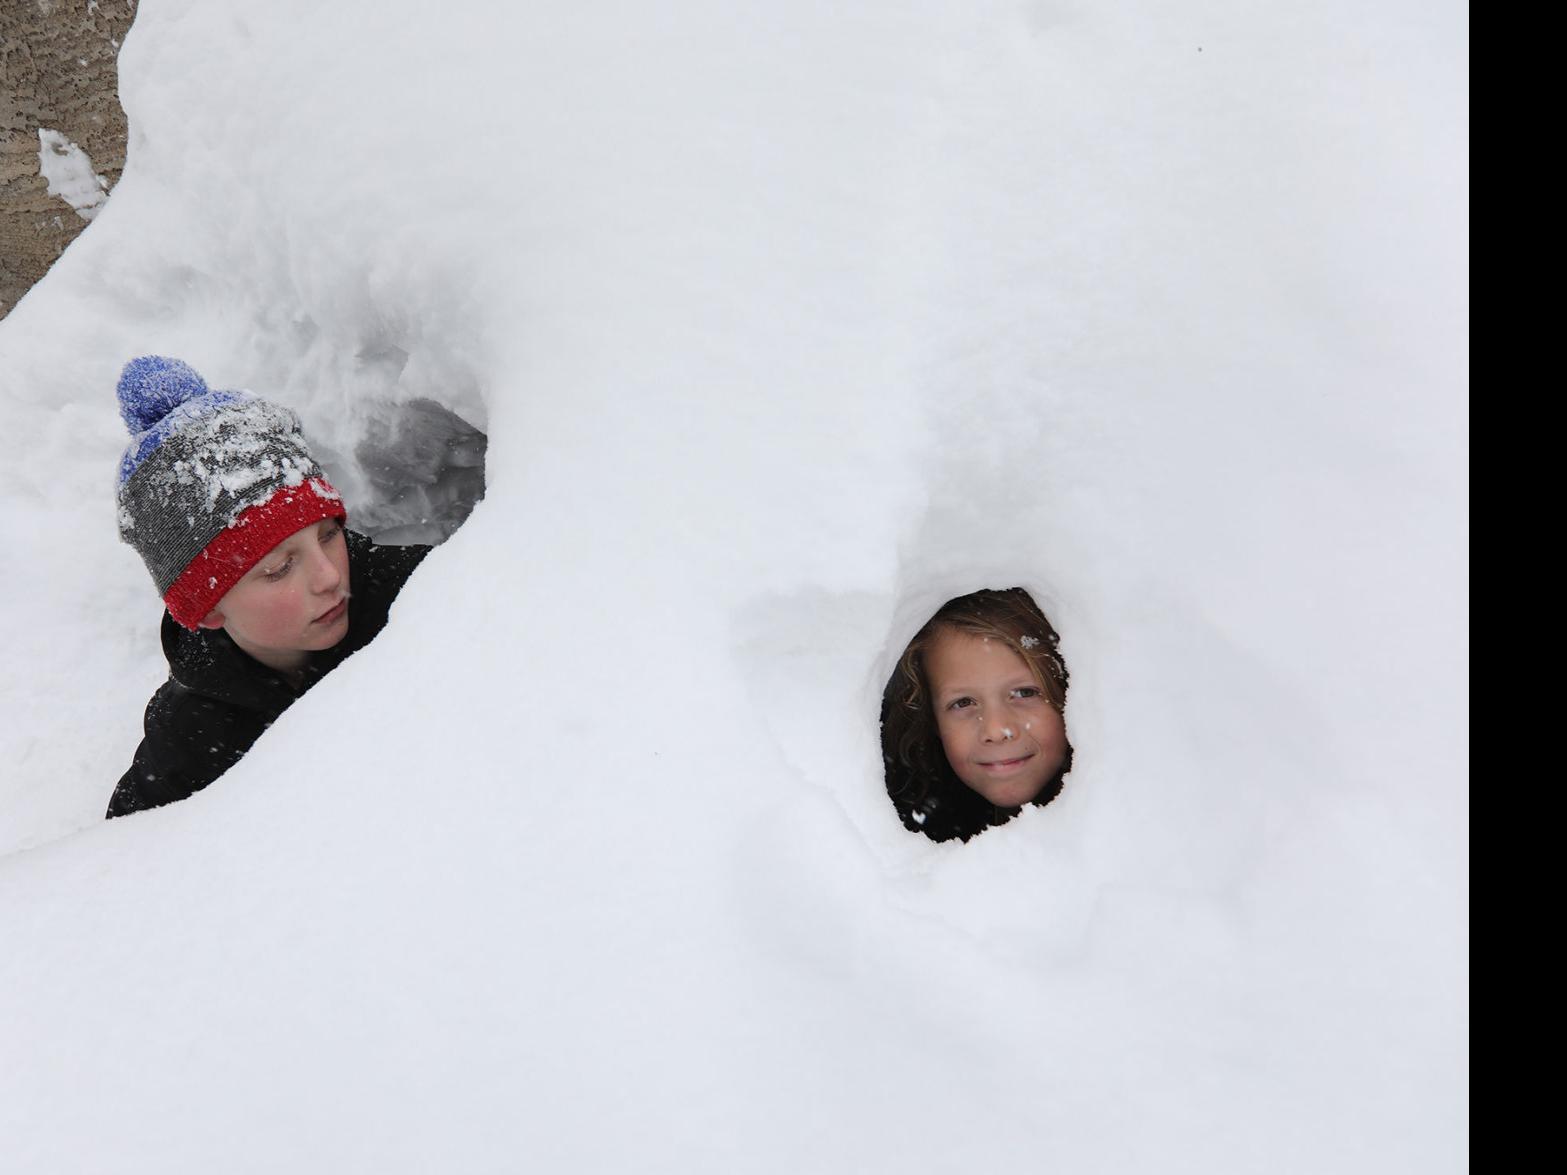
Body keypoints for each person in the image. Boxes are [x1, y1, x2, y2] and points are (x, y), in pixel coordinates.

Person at [106, 356, 429, 818]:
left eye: (329, 535)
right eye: (279, 568)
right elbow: (125, 848)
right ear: (209, 607)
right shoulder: (196, 730)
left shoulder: (414, 590)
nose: (330, 576)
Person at [881, 588, 1073, 842]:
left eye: (1025, 692)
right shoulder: (910, 832)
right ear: (934, 721)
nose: (995, 730)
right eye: (963, 702)